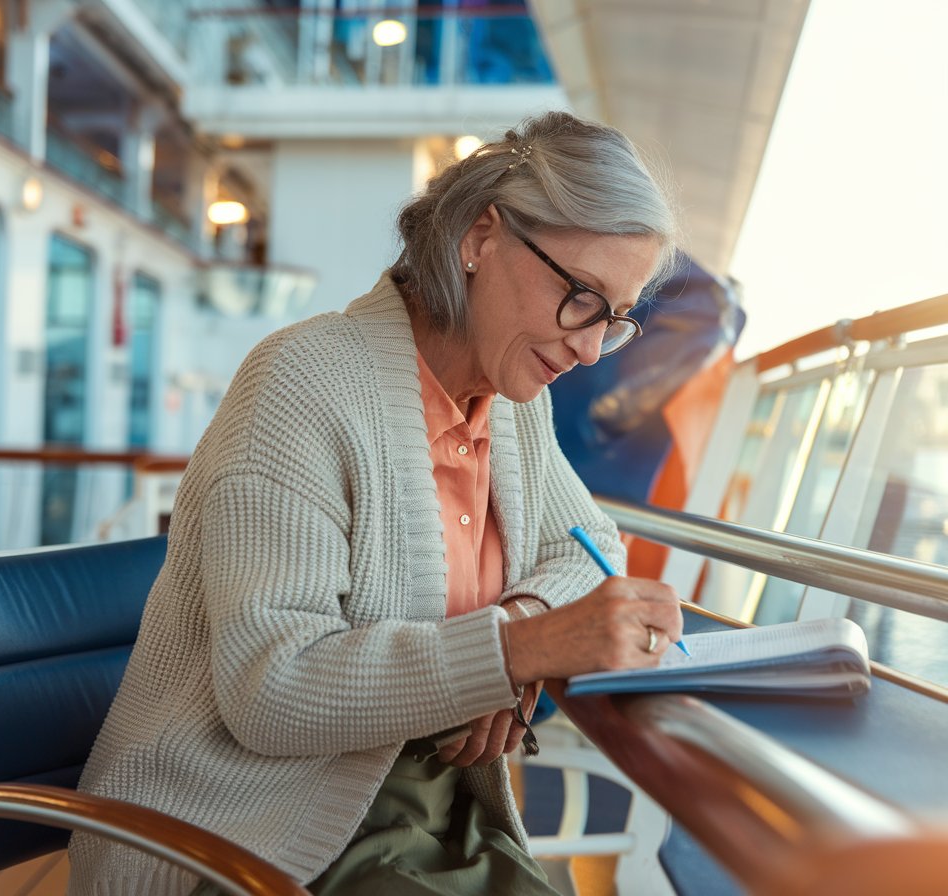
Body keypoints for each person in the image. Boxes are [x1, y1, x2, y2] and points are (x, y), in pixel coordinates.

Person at [68, 110, 685, 896]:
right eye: (581, 297)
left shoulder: (514, 400)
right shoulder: (303, 383)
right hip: (247, 832)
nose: (591, 347)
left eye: (617, 318)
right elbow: (272, 691)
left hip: (426, 813)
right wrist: (511, 655)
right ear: (481, 238)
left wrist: (521, 622)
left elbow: (589, 547)